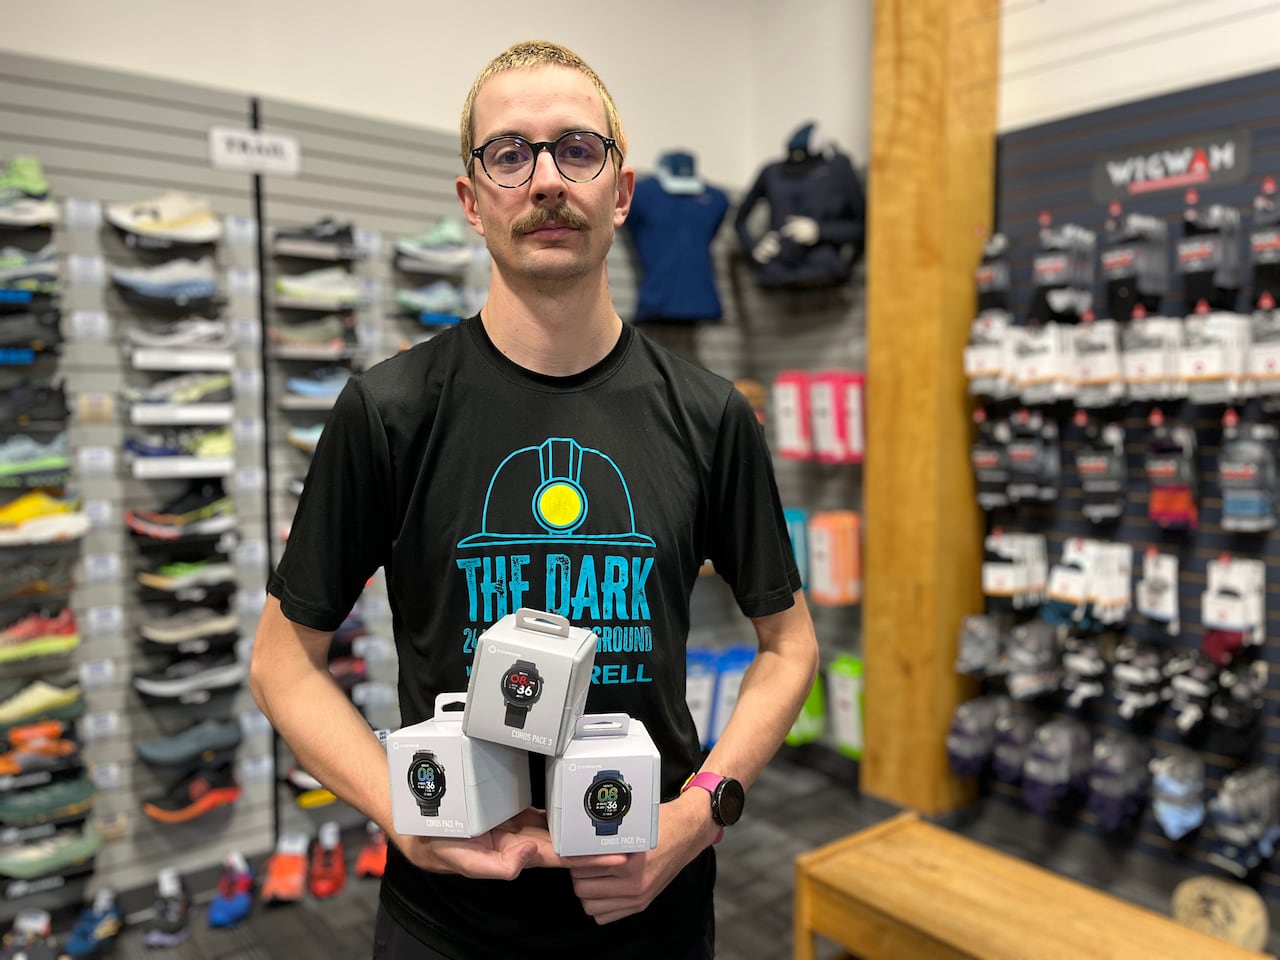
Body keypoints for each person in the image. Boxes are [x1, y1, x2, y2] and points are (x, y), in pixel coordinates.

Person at [250, 39, 818, 960]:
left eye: (577, 150)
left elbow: (788, 647)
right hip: (450, 922)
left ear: (621, 193)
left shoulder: (712, 416)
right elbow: (283, 662)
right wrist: (403, 811)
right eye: (510, 153)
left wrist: (699, 816)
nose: (546, 179)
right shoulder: (387, 412)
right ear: (473, 203)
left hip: (653, 905)